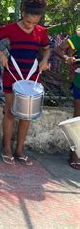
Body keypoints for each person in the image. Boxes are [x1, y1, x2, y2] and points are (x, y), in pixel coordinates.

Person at [0, 0, 50, 166]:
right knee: (10, 111)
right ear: (23, 14)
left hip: (32, 75)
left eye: (35, 21)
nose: (31, 24)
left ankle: (19, 150)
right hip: (12, 73)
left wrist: (44, 60)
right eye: (29, 20)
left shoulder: (42, 32)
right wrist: (0, 54)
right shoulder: (10, 29)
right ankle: (6, 148)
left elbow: (46, 49)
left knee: (27, 114)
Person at [54, 25, 80, 170]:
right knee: (78, 119)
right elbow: (57, 49)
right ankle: (74, 155)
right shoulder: (78, 37)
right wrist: (66, 57)